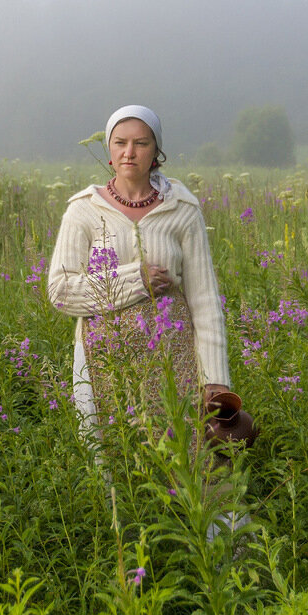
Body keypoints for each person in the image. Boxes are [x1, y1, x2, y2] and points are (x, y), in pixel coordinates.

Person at [47, 104, 246, 541]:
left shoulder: (182, 209)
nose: (129, 152)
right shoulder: (83, 211)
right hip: (105, 362)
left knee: (194, 458)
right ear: (108, 149)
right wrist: (132, 280)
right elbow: (60, 291)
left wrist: (215, 380)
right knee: (116, 458)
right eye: (120, 143)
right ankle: (130, 554)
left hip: (174, 359)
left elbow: (205, 300)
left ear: (157, 150)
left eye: (141, 143)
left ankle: (219, 555)